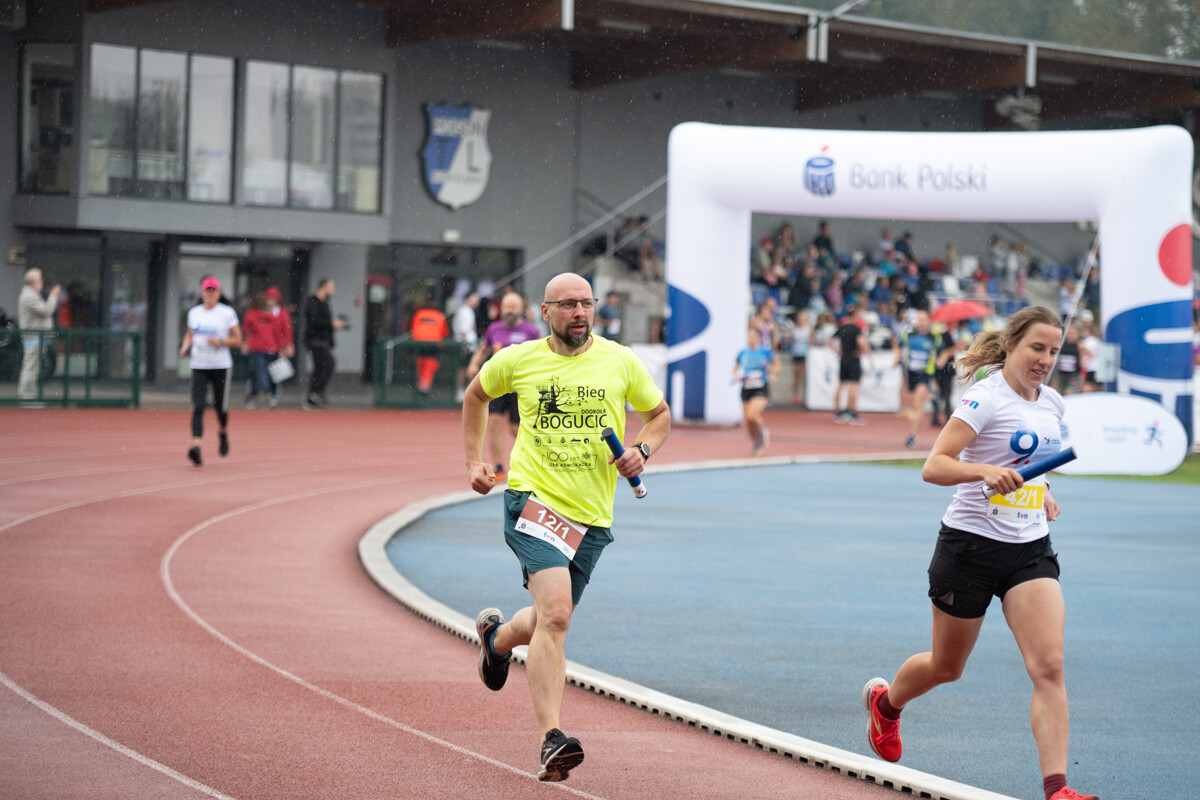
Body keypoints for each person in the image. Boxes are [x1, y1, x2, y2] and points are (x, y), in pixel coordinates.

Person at [862, 306, 1096, 800]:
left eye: (1053, 351)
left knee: (1049, 666)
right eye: (1037, 348)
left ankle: (1058, 790)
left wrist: (1044, 490)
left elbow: (1034, 463)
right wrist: (983, 472)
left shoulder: (1052, 403)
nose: (1045, 360)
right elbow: (935, 466)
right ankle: (887, 705)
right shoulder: (984, 399)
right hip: (968, 547)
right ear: (1011, 345)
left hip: (1029, 549)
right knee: (947, 667)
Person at [463, 272, 670, 782]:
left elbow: (659, 414)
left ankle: (495, 643)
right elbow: (475, 397)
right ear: (545, 312)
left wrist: (642, 450)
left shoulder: (619, 360)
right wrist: (473, 462)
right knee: (556, 615)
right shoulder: (518, 359)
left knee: (543, 619)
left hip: (592, 515)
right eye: (568, 304)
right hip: (533, 499)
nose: (580, 312)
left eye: (586, 303)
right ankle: (550, 739)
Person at [466, 292, 542, 482]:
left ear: (521, 310)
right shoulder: (495, 328)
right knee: (493, 423)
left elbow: (542, 357)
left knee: (517, 429)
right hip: (498, 386)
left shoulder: (531, 332)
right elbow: (484, 349)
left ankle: (530, 465)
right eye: (506, 307)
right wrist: (474, 364)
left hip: (522, 389)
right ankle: (499, 467)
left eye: (513, 308)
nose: (509, 311)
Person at [179, 276, 242, 465]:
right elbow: (190, 335)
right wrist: (184, 347)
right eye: (207, 290)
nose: (210, 294)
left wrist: (221, 342)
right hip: (199, 365)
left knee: (219, 407)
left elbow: (238, 340)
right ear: (202, 292)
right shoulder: (194, 313)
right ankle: (196, 446)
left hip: (221, 366)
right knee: (197, 406)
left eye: (213, 290)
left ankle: (222, 432)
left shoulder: (227, 313)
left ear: (219, 294)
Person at [17, 268, 60, 401]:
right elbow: (47, 310)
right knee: (31, 367)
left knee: (33, 367)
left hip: (37, 338)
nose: (41, 282)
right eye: (40, 279)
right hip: (33, 337)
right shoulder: (29, 295)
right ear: (32, 282)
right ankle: (26, 397)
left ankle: (29, 396)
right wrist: (53, 296)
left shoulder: (31, 294)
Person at [734, 327, 778, 455]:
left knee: (752, 415)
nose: (750, 339)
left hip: (760, 387)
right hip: (746, 388)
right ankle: (756, 443)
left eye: (753, 337)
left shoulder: (764, 352)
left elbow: (776, 363)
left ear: (758, 338)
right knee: (747, 421)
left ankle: (763, 432)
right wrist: (736, 376)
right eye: (749, 336)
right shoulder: (742, 353)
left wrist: (773, 373)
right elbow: (734, 369)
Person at [303, 278, 345, 409]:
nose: (333, 290)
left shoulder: (325, 302)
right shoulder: (313, 302)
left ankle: (314, 395)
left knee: (320, 367)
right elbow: (315, 321)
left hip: (323, 340)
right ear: (323, 287)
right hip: (315, 340)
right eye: (331, 287)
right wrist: (332, 324)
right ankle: (315, 393)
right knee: (328, 363)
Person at [898, 309, 938, 448]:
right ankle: (929, 396)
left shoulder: (934, 338)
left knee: (917, 403)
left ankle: (912, 436)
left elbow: (941, 352)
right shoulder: (908, 335)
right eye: (919, 320)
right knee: (913, 406)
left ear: (928, 322)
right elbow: (898, 346)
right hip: (910, 373)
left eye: (924, 320)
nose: (921, 323)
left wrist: (943, 357)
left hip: (924, 374)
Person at [831, 304, 868, 425]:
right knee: (854, 385)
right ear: (855, 315)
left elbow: (830, 340)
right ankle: (852, 411)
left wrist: (839, 351)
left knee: (841, 384)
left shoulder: (843, 327)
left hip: (844, 358)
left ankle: (837, 411)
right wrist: (861, 352)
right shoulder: (856, 329)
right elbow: (861, 342)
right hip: (853, 358)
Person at [240, 291, 278, 409]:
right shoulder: (271, 316)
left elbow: (247, 331)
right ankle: (252, 397)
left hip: (257, 347)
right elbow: (276, 332)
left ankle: (269, 394)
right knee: (261, 373)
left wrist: (246, 343)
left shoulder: (250, 315)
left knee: (259, 372)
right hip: (271, 347)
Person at [409, 298, 450, 394]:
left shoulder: (419, 314)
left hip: (419, 344)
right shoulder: (439, 315)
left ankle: (420, 385)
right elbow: (444, 332)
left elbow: (412, 329)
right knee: (430, 364)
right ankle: (424, 387)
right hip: (433, 345)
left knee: (421, 364)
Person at [266, 286, 295, 407]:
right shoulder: (262, 311)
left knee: (276, 373)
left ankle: (274, 395)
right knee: (261, 372)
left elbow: (287, 330)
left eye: (273, 299)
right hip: (264, 347)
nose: (271, 301)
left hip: (277, 347)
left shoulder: (282, 313)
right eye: (269, 298)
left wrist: (287, 345)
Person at [452, 291, 481, 403]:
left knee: (468, 368)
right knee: (463, 369)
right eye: (474, 298)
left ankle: (466, 391)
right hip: (466, 346)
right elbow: (464, 332)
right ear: (468, 299)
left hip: (471, 345)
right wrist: (466, 347)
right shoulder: (464, 312)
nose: (476, 301)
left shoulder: (469, 311)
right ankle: (460, 392)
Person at [1053, 322, 1090, 396]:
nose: (1070, 335)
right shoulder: (1062, 343)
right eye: (1069, 332)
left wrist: (1083, 360)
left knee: (1069, 393)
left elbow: (1090, 355)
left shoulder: (1079, 345)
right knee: (1059, 393)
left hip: (1074, 375)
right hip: (1062, 374)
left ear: (1078, 334)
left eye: (1072, 333)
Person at [789, 309, 813, 406]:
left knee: (804, 375)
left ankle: (805, 396)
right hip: (796, 353)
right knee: (796, 376)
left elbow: (811, 342)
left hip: (805, 354)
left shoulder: (808, 329)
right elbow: (791, 340)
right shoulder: (795, 329)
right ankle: (796, 395)